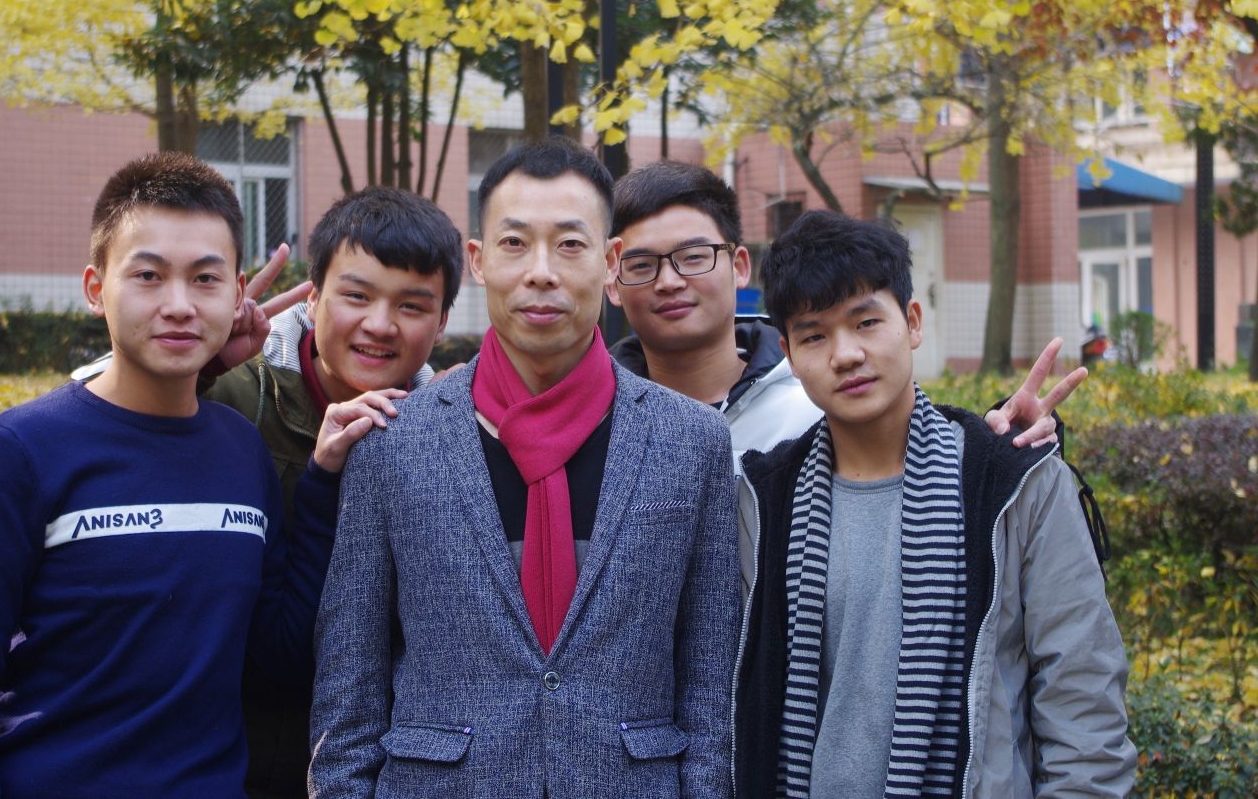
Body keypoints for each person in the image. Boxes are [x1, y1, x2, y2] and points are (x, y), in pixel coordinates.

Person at [309, 138, 739, 796]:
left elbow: (710, 684)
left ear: (610, 261)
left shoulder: (693, 442)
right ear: (479, 261)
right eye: (514, 243)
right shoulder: (392, 443)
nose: (541, 272)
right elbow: (349, 691)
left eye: (569, 244)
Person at [0, 152, 331, 796]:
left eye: (205, 279)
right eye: (148, 276)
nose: (179, 305)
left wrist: (325, 479)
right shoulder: (15, 454)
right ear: (95, 288)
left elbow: (278, 652)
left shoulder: (242, 453)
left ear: (237, 292)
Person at [733, 210, 1135, 798]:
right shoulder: (764, 501)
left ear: (913, 322)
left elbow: (1083, 697)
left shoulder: (1010, 485)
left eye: (866, 322)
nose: (845, 354)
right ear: (790, 356)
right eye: (814, 335)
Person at [203, 186, 464, 797]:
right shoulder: (229, 398)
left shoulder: (450, 430)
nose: (379, 325)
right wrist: (196, 364)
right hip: (227, 761)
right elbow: (98, 414)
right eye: (356, 296)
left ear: (442, 322)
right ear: (314, 297)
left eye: (412, 306)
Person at [605, 161, 1079, 461]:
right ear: (611, 280)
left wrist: (1002, 440)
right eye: (641, 265)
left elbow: (916, 455)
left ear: (740, 265)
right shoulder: (596, 419)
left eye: (693, 257)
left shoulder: (819, 396)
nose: (669, 281)